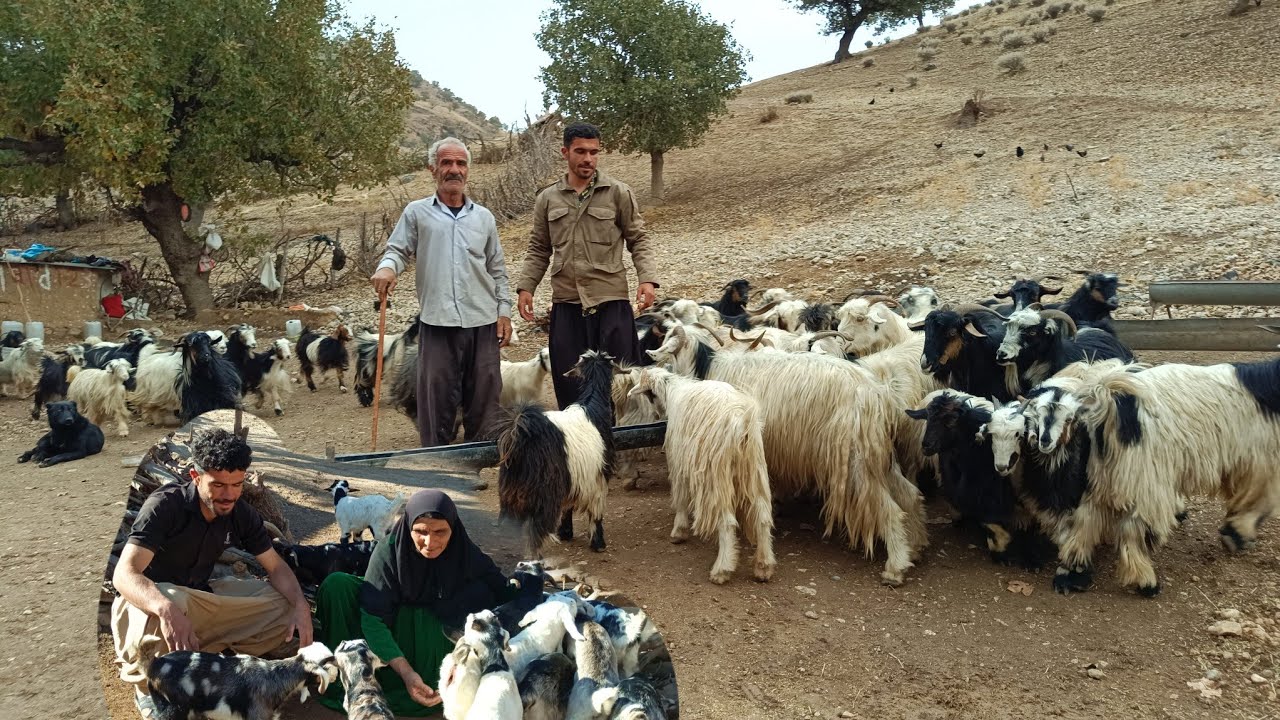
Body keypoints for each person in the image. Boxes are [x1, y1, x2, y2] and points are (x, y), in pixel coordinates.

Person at [111, 428, 313, 719]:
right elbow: (124, 574)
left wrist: (300, 605)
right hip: (150, 606)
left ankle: (209, 654)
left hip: (201, 598)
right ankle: (148, 688)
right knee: (171, 599)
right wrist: (166, 609)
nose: (229, 495)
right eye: (218, 485)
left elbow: (276, 567)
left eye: (237, 484)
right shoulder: (165, 505)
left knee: (284, 605)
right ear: (196, 477)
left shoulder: (240, 511)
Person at [313, 489, 514, 715]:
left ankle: (435, 684)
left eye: (440, 532)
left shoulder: (465, 552)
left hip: (433, 634)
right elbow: (373, 618)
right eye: (421, 531)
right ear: (408, 527)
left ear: (453, 529)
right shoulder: (389, 551)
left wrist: (526, 591)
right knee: (336, 585)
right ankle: (349, 680)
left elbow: (502, 589)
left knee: (469, 597)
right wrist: (407, 673)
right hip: (391, 633)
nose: (430, 542)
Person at [371, 136, 513, 447]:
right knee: (435, 399)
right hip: (437, 322)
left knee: (485, 398)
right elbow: (397, 249)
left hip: (482, 321)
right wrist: (387, 269)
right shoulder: (416, 213)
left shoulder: (484, 218)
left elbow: (498, 270)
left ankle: (476, 462)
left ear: (468, 171)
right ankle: (438, 464)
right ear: (432, 169)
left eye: (461, 163)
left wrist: (504, 312)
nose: (454, 169)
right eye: (446, 163)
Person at [515, 121, 660, 409]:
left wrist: (648, 279)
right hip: (567, 303)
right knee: (570, 382)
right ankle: (582, 448)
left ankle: (625, 447)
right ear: (565, 152)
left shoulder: (618, 192)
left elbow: (638, 239)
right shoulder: (547, 198)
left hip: (611, 301)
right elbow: (539, 248)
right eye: (580, 151)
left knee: (621, 381)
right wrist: (526, 287)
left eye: (594, 152)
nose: (588, 159)